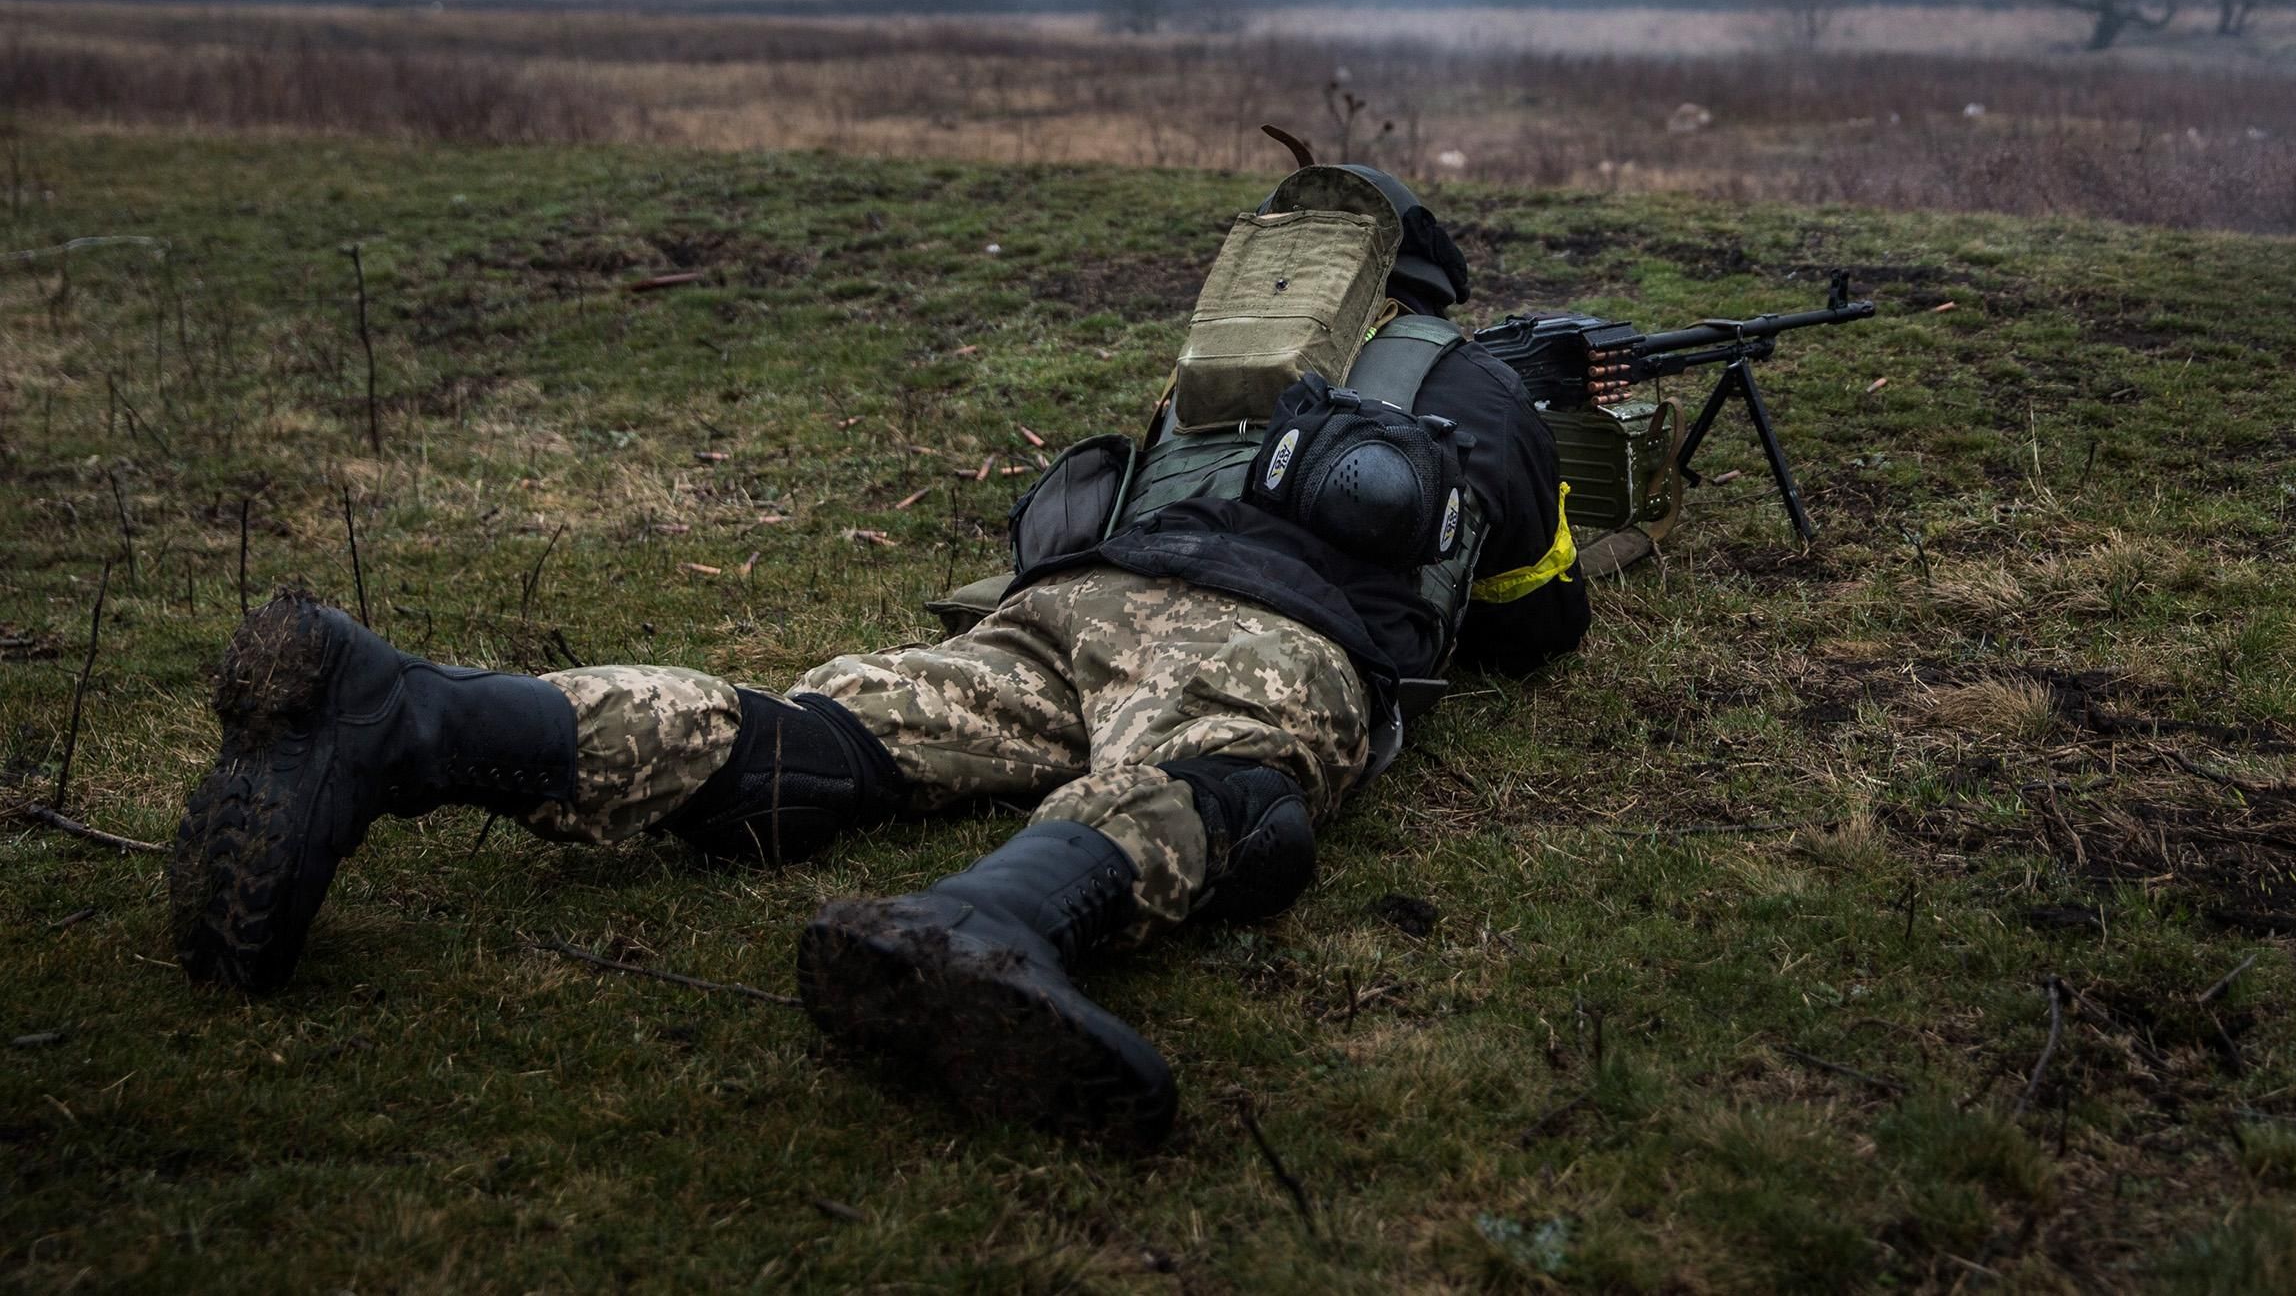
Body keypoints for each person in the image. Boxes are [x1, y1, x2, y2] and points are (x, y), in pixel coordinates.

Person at [167, 159, 1588, 1146]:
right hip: (1269, 644)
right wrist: (1541, 437)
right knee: (1224, 789)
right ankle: (996, 923)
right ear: (1434, 287)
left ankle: (399, 712)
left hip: (1061, 609)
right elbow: (1533, 621)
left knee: (824, 745)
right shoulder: (1473, 382)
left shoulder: (1214, 378)